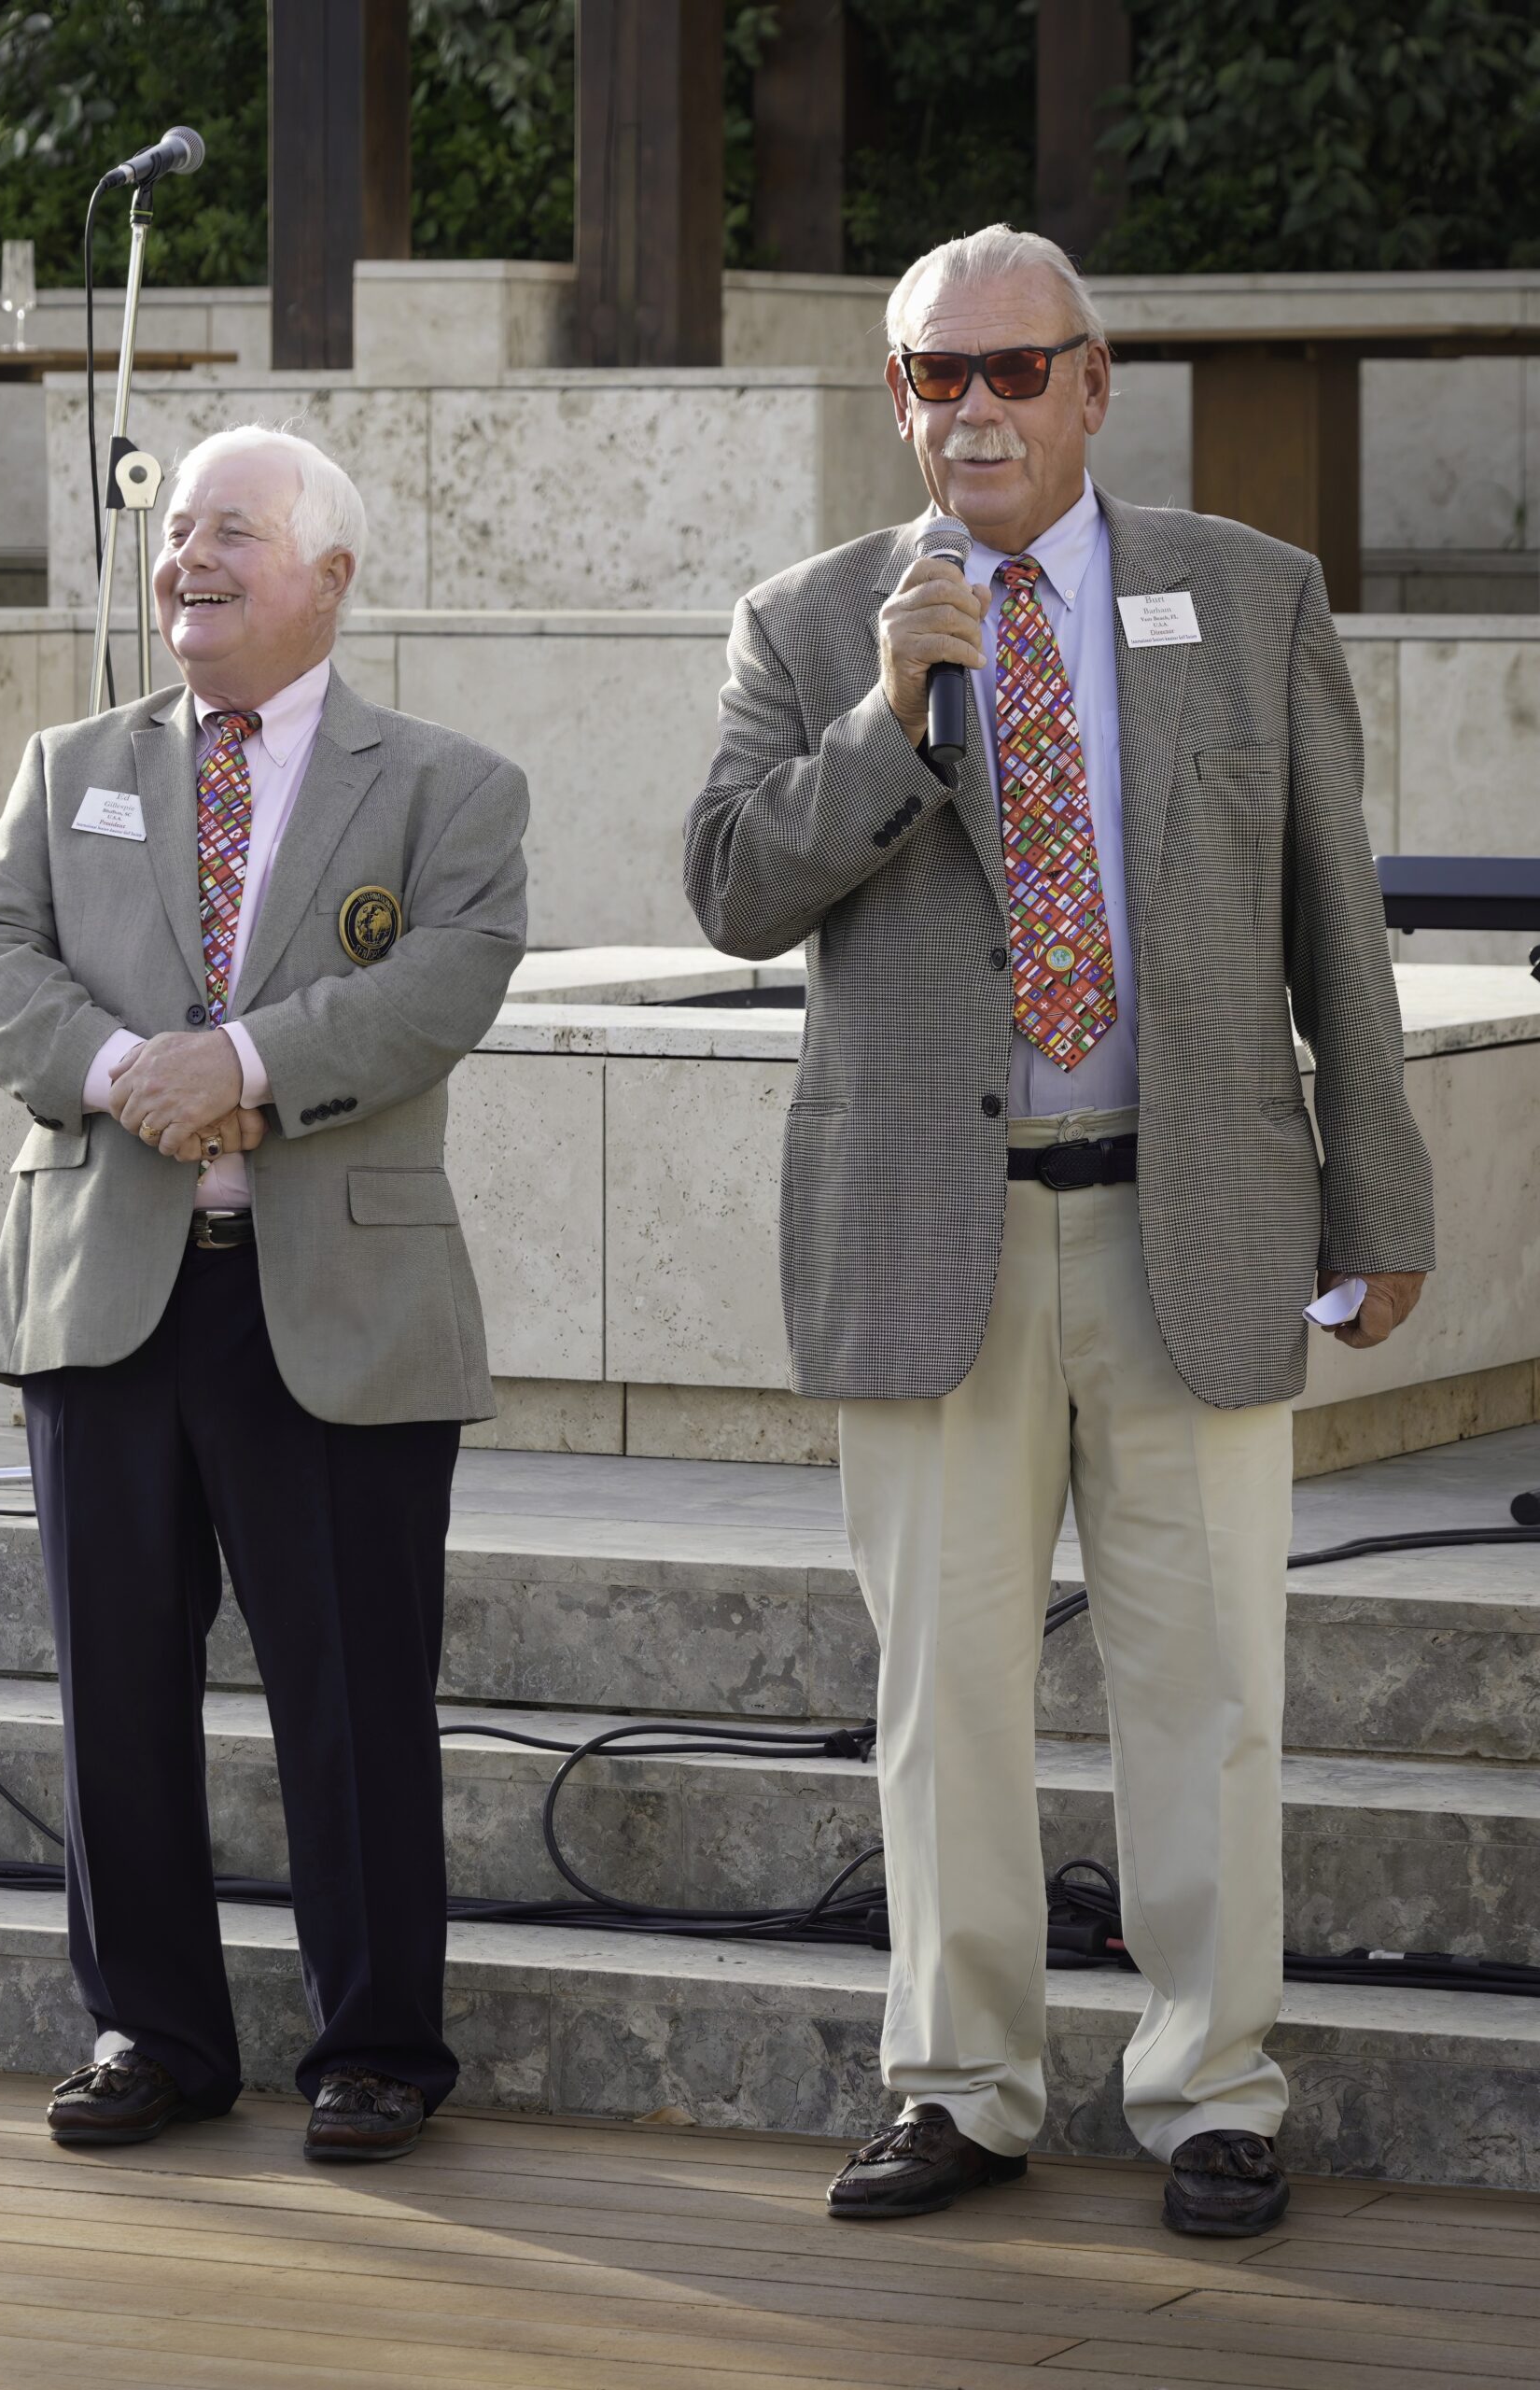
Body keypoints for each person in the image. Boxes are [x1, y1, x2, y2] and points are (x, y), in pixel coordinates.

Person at [683, 224, 1434, 2237]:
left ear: (1094, 384)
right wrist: (885, 714)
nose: (976, 408)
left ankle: (1210, 2091)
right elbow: (731, 890)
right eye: (937, 374)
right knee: (945, 1699)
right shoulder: (810, 619)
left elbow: (1335, 922)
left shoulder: (1248, 594)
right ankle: (960, 2084)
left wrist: (1380, 1191)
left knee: (1211, 1691)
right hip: (935, 1239)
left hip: (1194, 1219)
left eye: (1015, 369)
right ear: (898, 398)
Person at [0, 425, 528, 2163]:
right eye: (177, 529)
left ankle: (376, 2047)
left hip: (334, 1302)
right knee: (115, 1692)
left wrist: (249, 1064)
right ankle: (153, 2033)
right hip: (105, 1295)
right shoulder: (70, 766)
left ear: (329, 577)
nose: (187, 557)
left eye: (233, 533)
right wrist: (131, 1070)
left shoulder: (448, 787)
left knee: (353, 1697)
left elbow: (447, 983)